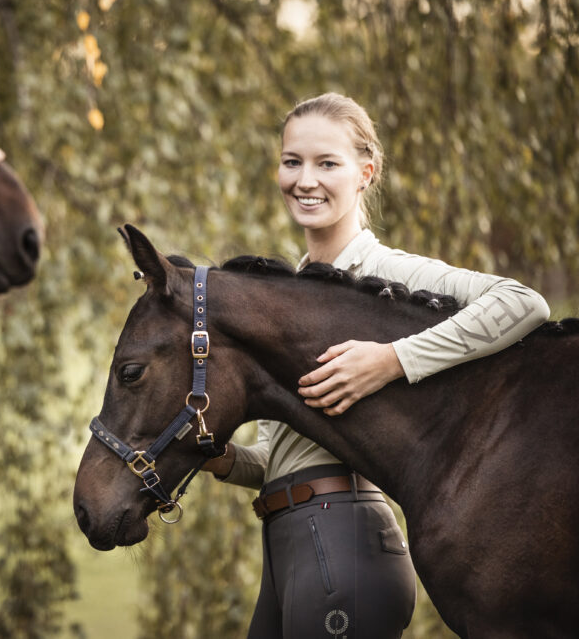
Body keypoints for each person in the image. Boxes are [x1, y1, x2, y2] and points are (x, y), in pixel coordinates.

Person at [202, 92, 550, 638]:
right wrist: (214, 455)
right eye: (292, 161)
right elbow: (274, 460)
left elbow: (523, 303)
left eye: (327, 163)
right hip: (285, 535)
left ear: (366, 173)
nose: (305, 180)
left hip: (345, 536)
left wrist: (393, 360)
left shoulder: (391, 273)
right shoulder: (291, 295)